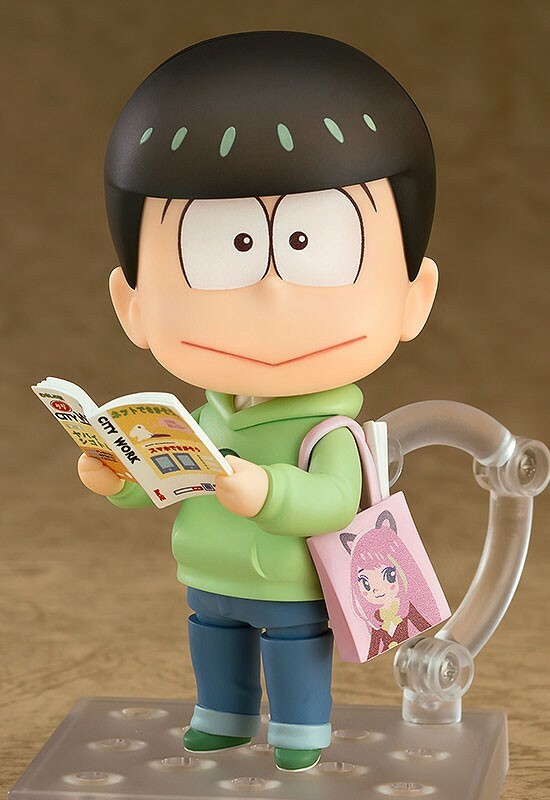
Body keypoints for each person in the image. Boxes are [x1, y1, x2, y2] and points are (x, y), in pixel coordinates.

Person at [78, 31, 439, 772]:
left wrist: (267, 491)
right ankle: (223, 715)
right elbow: (171, 477)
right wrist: (117, 478)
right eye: (221, 251)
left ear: (415, 294)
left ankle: (301, 732)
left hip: (288, 586)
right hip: (207, 576)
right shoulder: (202, 417)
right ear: (131, 305)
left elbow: (333, 501)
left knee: (293, 650)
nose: (272, 291)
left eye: (313, 245)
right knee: (213, 646)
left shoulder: (329, 430)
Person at [348, 512, 439, 659]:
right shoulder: (377, 621)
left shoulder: (408, 609)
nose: (377, 589)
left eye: (388, 576)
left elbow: (423, 623)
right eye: (365, 583)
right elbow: (373, 648)